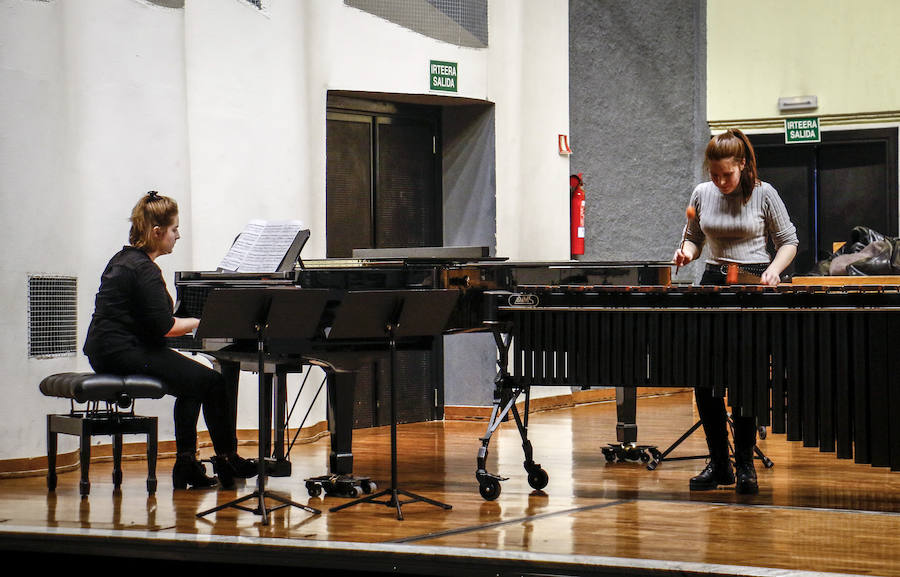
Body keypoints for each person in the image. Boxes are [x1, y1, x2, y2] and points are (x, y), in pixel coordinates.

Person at [84, 191, 256, 490]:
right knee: (213, 383)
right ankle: (228, 458)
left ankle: (187, 464)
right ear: (157, 232)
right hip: (124, 351)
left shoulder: (125, 259)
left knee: (193, 384)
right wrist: (205, 322)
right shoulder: (144, 270)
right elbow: (164, 327)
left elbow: (149, 322)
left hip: (108, 349)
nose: (178, 235)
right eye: (175, 229)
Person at [673, 129, 799, 494]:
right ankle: (718, 464)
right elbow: (694, 237)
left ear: (742, 165)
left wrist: (774, 270)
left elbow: (789, 241)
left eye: (726, 175)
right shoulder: (701, 193)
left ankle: (745, 464)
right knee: (705, 379)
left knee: (746, 378)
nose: (720, 181)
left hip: (753, 282)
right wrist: (687, 253)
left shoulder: (764, 193)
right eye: (714, 175)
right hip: (712, 284)